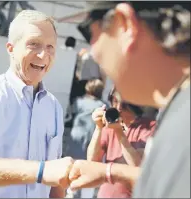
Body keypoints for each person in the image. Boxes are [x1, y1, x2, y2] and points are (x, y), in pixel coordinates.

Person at [58, 1, 190, 198]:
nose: (92, 52)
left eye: (88, 32)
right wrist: (110, 172)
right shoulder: (179, 112)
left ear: (124, 25)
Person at [0, 10, 74, 198]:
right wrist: (40, 171)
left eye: (50, 46)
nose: (44, 55)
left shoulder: (53, 108)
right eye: (34, 44)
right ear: (10, 48)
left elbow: (54, 182)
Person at [88, 88, 156, 198]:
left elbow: (137, 166)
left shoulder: (149, 127)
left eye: (124, 104)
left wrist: (119, 133)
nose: (118, 107)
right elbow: (92, 161)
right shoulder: (108, 127)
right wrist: (98, 128)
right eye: (114, 101)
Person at [64, 78, 105, 198]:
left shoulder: (78, 101)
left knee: (72, 164)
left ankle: (70, 190)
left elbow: (69, 115)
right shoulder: (103, 105)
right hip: (92, 137)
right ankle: (83, 190)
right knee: (87, 164)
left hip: (77, 136)